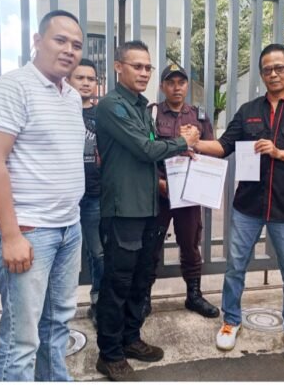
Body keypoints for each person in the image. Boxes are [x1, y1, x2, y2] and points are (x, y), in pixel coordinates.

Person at [194, 43, 284, 364]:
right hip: (247, 206)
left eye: (279, 68)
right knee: (235, 267)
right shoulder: (249, 110)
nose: (273, 74)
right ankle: (231, 320)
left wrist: (279, 153)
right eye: (267, 69)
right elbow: (223, 146)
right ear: (262, 74)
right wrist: (194, 143)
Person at [0, 9, 85, 381]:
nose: (69, 50)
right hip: (29, 232)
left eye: (77, 45)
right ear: (37, 41)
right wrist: (11, 236)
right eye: (60, 40)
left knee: (57, 324)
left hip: (69, 228)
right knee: (21, 340)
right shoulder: (13, 87)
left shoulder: (72, 96)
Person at [94, 40, 200, 381]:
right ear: (118, 67)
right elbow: (143, 148)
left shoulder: (141, 107)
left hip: (147, 207)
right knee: (118, 282)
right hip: (123, 209)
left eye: (147, 67)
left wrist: (178, 150)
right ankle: (109, 354)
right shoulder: (112, 106)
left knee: (140, 279)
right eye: (136, 66)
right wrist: (183, 142)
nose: (143, 73)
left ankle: (130, 338)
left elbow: (153, 147)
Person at [141, 64, 220, 319]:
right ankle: (143, 297)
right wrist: (157, 183)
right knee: (151, 244)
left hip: (189, 193)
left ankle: (193, 295)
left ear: (187, 86)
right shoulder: (151, 114)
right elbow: (144, 154)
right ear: (162, 86)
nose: (176, 87)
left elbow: (211, 151)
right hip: (160, 192)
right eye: (171, 82)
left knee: (190, 244)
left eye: (181, 82)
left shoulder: (199, 116)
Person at [68, 58, 104, 327]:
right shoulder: (60, 111)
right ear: (68, 80)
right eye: (79, 78)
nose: (85, 83)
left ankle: (98, 302)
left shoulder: (101, 115)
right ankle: (58, 309)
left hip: (94, 195)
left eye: (90, 79)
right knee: (61, 256)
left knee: (98, 252)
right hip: (64, 196)